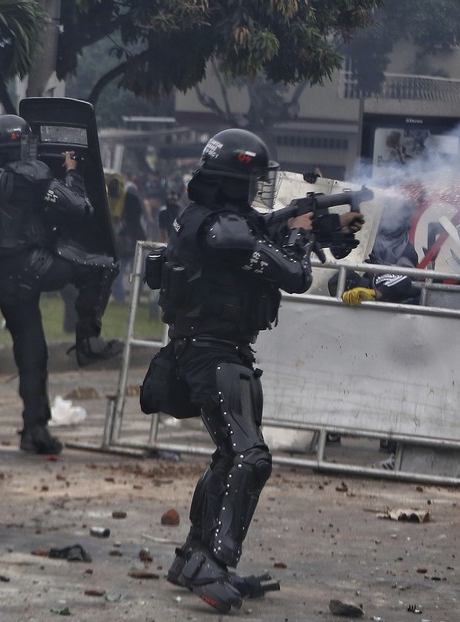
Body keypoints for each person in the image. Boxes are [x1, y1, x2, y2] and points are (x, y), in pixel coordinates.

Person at [139, 128, 360, 613]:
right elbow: (294, 274)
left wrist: (325, 231)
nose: (258, 190)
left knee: (229, 454)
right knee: (250, 457)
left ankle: (192, 555)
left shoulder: (219, 222)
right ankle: (213, 562)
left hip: (219, 349)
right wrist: (302, 232)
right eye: (252, 180)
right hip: (211, 352)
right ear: (232, 181)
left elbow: (262, 235)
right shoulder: (222, 231)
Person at [0, 114, 122, 455]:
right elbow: (80, 208)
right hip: (32, 266)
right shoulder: (27, 177)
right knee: (102, 268)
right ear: (19, 145)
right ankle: (87, 340)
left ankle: (34, 429)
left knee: (31, 354)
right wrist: (73, 172)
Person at [107, 174, 146, 302]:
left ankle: (136, 299)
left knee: (140, 274)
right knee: (117, 273)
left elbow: (136, 217)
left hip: (135, 242)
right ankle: (120, 300)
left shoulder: (131, 199)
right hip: (120, 244)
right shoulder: (108, 200)